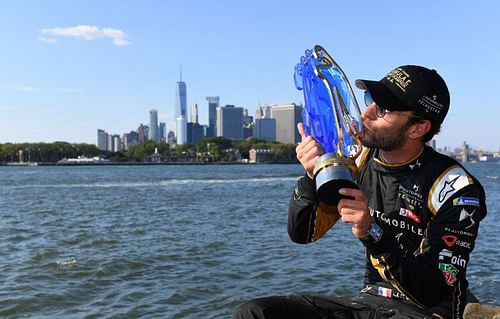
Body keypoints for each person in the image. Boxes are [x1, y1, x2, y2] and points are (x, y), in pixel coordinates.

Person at [234, 65, 487, 319]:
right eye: (370, 100)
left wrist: (371, 232)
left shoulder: (457, 188)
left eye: (382, 109)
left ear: (417, 128)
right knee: (256, 312)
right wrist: (313, 176)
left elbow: (434, 289)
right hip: (369, 301)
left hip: (426, 312)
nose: (366, 113)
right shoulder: (358, 158)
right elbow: (302, 234)